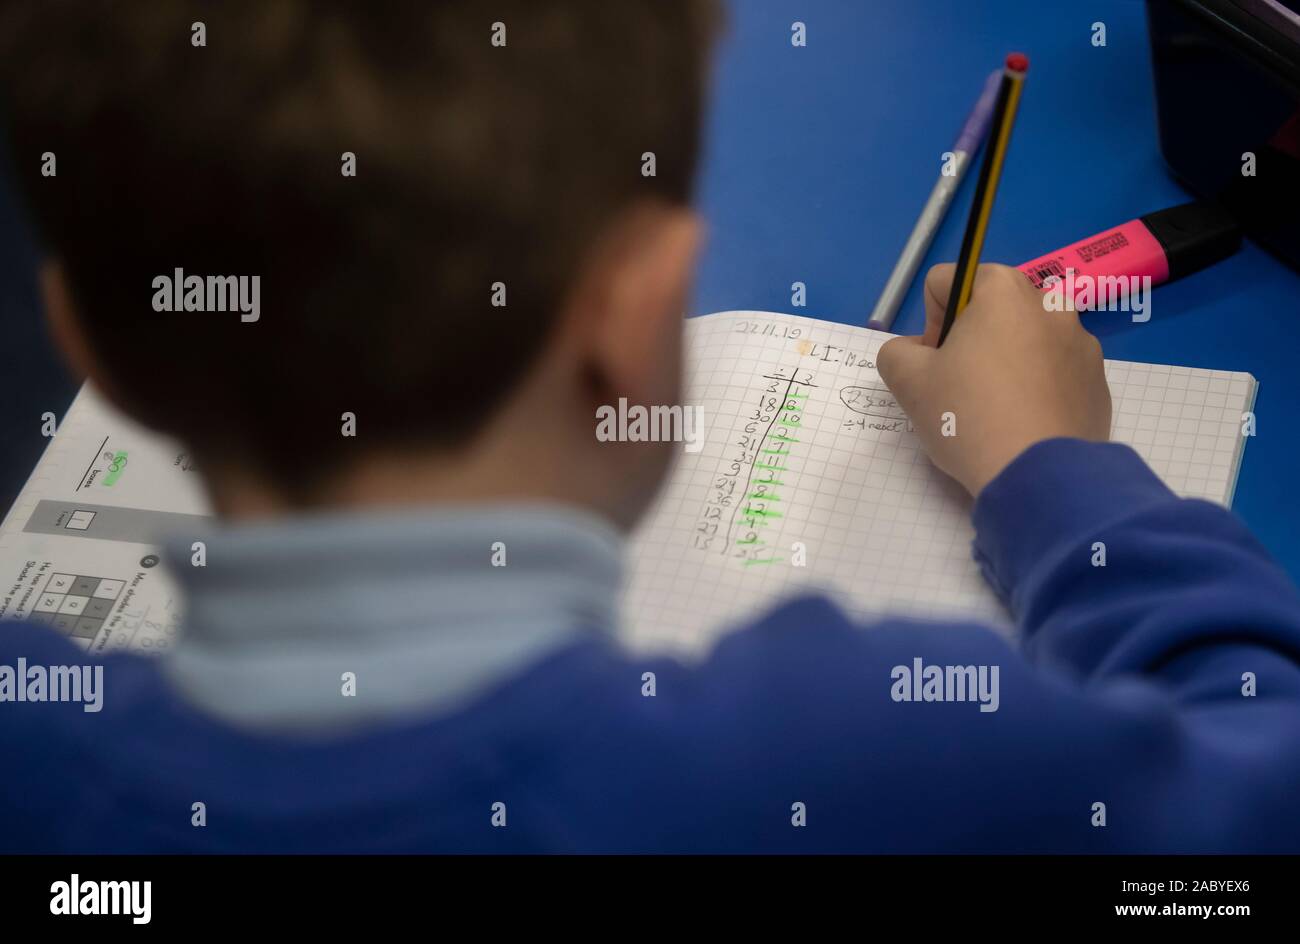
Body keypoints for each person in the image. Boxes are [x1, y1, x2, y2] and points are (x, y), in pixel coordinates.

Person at [0, 0, 1297, 853]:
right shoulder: (862, 759)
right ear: (634, 319)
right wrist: (1052, 472)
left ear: (91, 346)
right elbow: (1259, 774)